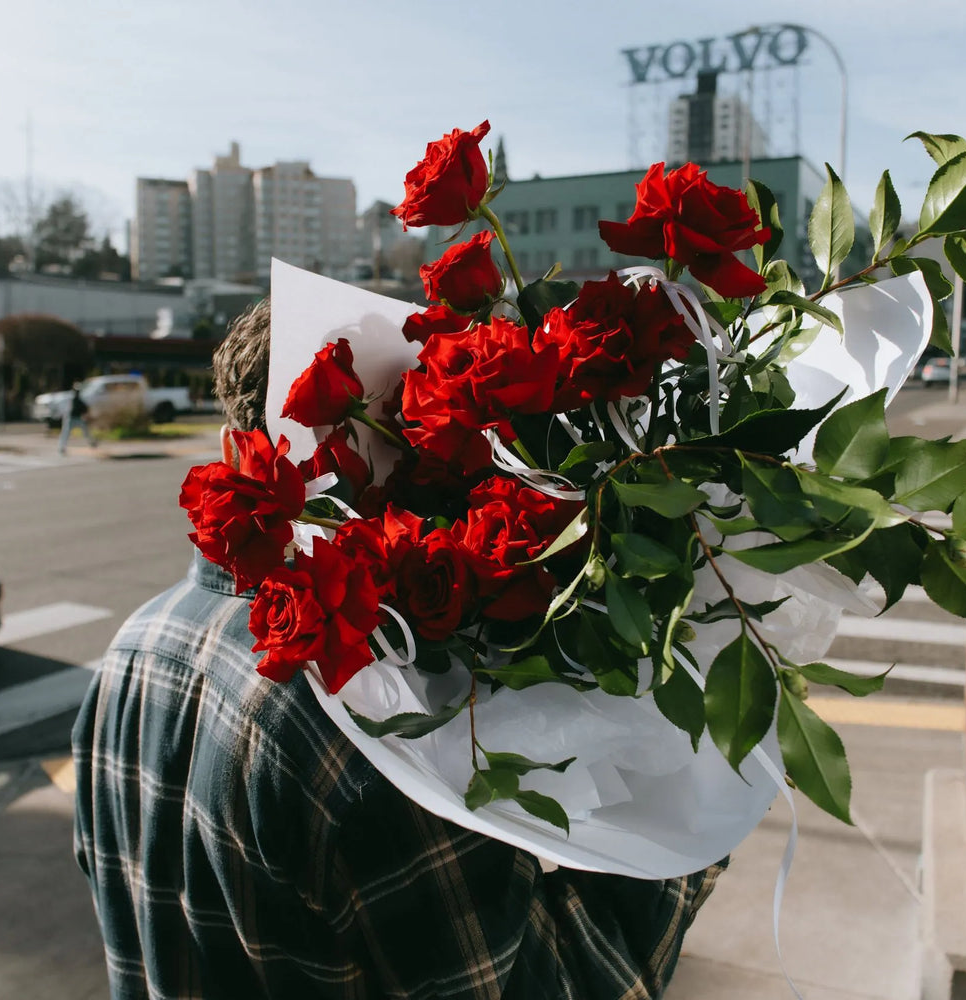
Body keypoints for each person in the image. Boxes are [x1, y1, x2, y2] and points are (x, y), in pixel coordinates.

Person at [72, 298, 727, 999]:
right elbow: (562, 984)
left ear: (239, 448)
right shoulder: (372, 727)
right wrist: (702, 802)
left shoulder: (131, 648)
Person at [59, 383, 96, 455]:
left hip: (78, 419)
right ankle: (62, 448)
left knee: (86, 432)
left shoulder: (79, 401)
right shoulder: (71, 399)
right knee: (65, 434)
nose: (76, 393)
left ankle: (92, 443)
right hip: (71, 419)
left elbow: (86, 409)